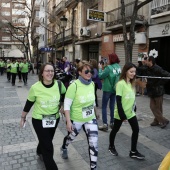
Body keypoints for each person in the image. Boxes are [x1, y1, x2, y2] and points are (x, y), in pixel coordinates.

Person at [20, 63, 66, 170]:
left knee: (47, 139)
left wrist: (63, 105)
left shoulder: (59, 84)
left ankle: (39, 150)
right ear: (42, 73)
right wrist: (23, 117)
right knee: (48, 147)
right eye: (47, 71)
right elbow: (28, 104)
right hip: (39, 120)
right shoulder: (35, 88)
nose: (50, 73)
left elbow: (65, 94)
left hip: (54, 119)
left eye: (52, 71)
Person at [60, 61, 99, 170]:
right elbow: (67, 105)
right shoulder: (74, 86)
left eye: (90, 71)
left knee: (94, 144)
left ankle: (93, 168)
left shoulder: (92, 84)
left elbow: (93, 100)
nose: (89, 73)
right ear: (79, 72)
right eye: (86, 71)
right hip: (76, 118)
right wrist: (68, 121)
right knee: (70, 138)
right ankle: (64, 147)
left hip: (90, 118)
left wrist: (96, 111)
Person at [109, 62, 145, 160]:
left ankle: (133, 152)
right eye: (131, 71)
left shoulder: (132, 83)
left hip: (130, 112)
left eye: (134, 72)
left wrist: (135, 107)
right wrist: (122, 115)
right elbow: (118, 100)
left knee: (136, 130)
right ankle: (111, 146)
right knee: (115, 130)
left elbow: (132, 98)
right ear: (125, 72)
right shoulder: (120, 84)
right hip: (120, 113)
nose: (133, 74)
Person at [138, 56, 170, 128]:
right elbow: (140, 69)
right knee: (152, 107)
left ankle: (160, 121)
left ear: (150, 61)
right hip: (151, 91)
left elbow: (168, 75)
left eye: (146, 61)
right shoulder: (147, 68)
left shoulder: (158, 69)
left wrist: (159, 83)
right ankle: (161, 120)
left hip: (158, 91)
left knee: (158, 108)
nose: (145, 62)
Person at [98, 53, 121, 131]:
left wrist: (100, 68)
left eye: (108, 58)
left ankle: (105, 124)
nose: (107, 60)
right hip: (115, 89)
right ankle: (112, 122)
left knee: (104, 106)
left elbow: (101, 76)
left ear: (111, 59)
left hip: (107, 89)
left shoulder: (108, 68)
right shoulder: (118, 67)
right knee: (112, 106)